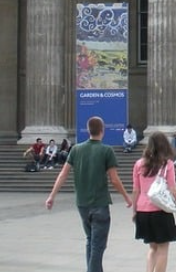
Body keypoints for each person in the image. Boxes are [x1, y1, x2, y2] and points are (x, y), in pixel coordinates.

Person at [47, 116, 133, 272]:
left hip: (82, 203)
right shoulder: (106, 150)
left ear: (88, 130)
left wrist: (52, 196)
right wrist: (127, 197)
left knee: (90, 240)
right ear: (102, 131)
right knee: (98, 245)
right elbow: (114, 179)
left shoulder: (76, 149)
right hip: (99, 203)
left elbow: (63, 174)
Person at [131, 132, 176, 272]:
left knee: (152, 248)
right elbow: (173, 189)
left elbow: (135, 190)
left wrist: (134, 210)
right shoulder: (167, 164)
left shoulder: (139, 164)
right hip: (160, 210)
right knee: (163, 248)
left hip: (143, 210)